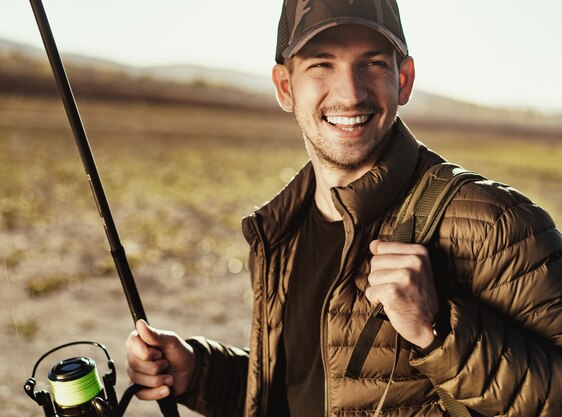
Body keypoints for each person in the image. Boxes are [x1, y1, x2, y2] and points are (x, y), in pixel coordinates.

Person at [126, 1, 562, 416]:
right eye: (322, 64)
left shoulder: (496, 225)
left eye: (372, 63)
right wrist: (199, 373)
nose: (350, 94)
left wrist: (437, 331)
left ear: (403, 80)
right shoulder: (280, 232)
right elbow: (304, 390)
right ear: (285, 87)